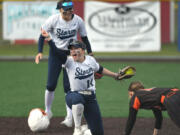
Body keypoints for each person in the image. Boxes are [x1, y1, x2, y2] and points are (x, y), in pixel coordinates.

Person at [35, 0, 93, 127]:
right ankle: (48, 111)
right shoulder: (53, 20)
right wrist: (40, 51)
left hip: (71, 55)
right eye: (66, 11)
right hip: (56, 54)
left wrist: (90, 52)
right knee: (51, 85)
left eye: (71, 10)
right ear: (60, 10)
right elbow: (42, 35)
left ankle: (69, 117)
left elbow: (84, 37)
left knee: (69, 87)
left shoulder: (78, 20)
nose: (69, 13)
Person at [47, 39, 123, 135]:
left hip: (90, 99)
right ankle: (77, 128)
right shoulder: (69, 61)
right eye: (71, 49)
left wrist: (115, 75)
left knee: (98, 132)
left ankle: (85, 130)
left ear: (83, 50)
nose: (73, 51)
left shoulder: (90, 60)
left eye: (75, 48)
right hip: (73, 96)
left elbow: (100, 69)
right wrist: (50, 40)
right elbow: (58, 53)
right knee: (78, 99)